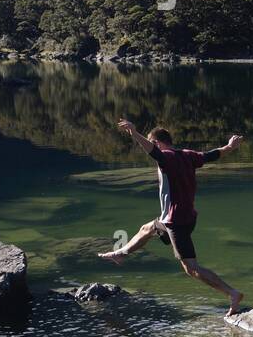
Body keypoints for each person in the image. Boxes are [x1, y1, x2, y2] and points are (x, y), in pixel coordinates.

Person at [99, 119, 245, 316]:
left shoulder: (165, 158)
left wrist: (134, 133)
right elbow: (213, 155)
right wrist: (230, 146)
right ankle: (121, 254)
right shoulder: (189, 155)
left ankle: (232, 293)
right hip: (184, 217)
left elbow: (153, 151)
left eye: (154, 143)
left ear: (158, 142)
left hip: (176, 222)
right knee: (147, 229)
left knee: (191, 268)